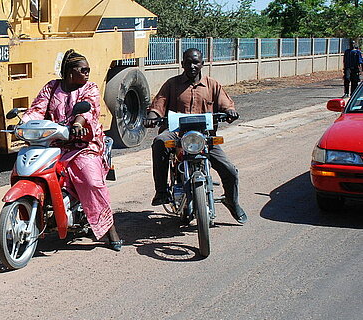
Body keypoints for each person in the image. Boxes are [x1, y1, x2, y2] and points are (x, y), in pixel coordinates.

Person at [21, 49, 123, 251]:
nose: (87, 73)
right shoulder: (52, 87)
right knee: (30, 169)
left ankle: (109, 229)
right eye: (83, 69)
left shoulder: (90, 88)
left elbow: (89, 110)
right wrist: (22, 124)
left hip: (83, 145)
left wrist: (77, 124)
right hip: (53, 143)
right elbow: (37, 110)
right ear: (69, 71)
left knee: (91, 181)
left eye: (88, 69)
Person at [144, 48, 246, 224]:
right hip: (177, 134)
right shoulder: (172, 84)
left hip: (203, 137)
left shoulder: (213, 85)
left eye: (195, 62)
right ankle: (161, 191)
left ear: (202, 64)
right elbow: (157, 106)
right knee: (159, 142)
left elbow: (226, 105)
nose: (192, 66)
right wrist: (151, 118)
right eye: (188, 62)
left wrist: (230, 112)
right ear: (182, 63)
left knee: (229, 170)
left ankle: (232, 201)